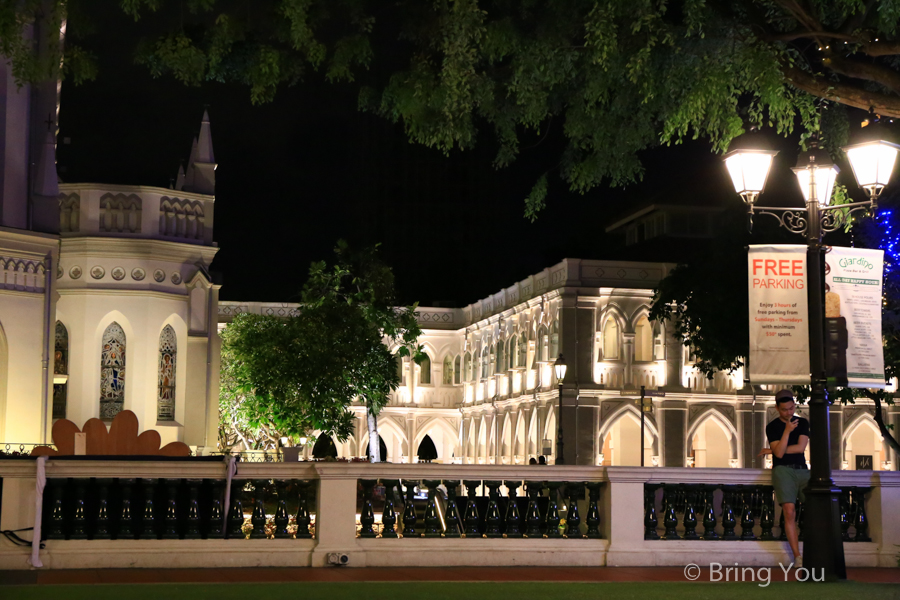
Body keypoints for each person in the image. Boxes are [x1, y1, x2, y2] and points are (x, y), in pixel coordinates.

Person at [758, 389, 810, 567]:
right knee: (789, 511)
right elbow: (779, 454)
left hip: (802, 470)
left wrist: (773, 450)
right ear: (777, 409)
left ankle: (816, 550)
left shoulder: (802, 422)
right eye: (785, 410)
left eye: (791, 408)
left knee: (815, 510)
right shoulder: (773, 427)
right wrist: (787, 432)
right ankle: (798, 556)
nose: (789, 412)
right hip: (782, 471)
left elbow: (800, 448)